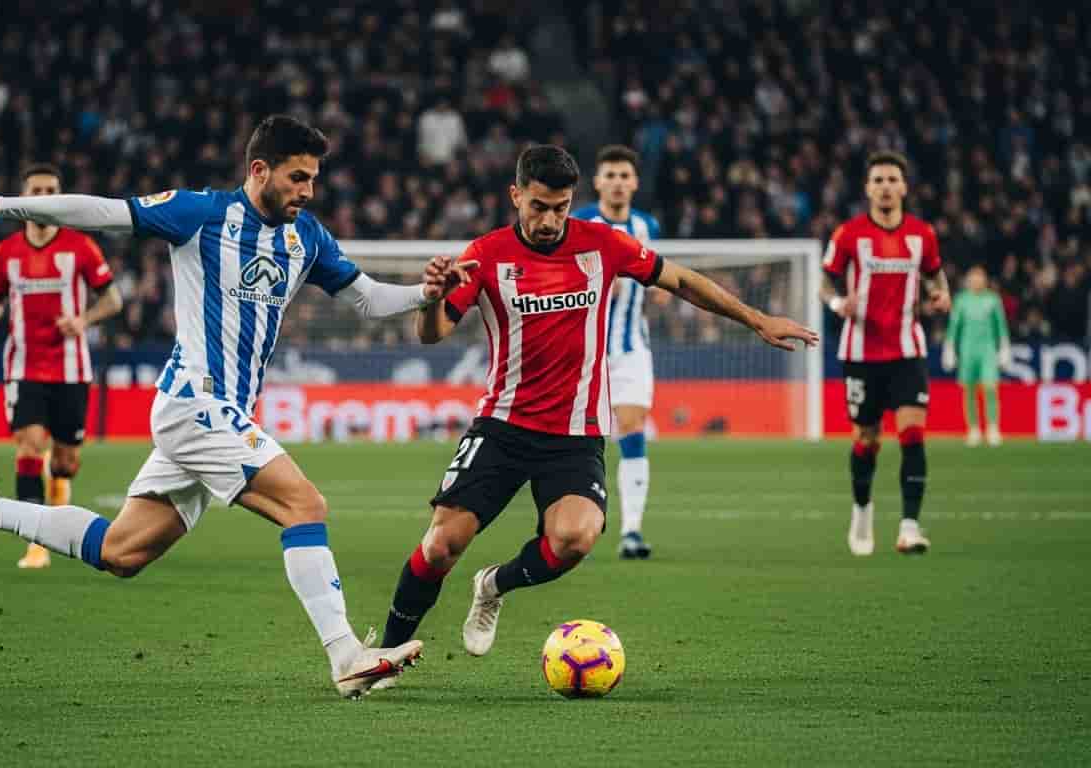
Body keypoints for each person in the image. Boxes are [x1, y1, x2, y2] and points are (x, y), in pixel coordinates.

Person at [0, 115, 467, 697]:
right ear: (259, 170)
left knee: (122, 552)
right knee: (305, 505)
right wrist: (7, 206)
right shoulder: (201, 214)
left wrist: (424, 294)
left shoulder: (307, 237)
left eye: (313, 179)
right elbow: (106, 211)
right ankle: (345, 655)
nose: (308, 191)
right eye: (298, 177)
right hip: (194, 404)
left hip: (224, 414)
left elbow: (366, 298)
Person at [374, 145, 816, 680]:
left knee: (575, 539)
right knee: (442, 544)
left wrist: (755, 318)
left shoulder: (602, 244)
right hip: (503, 425)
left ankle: (494, 585)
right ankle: (383, 657)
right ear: (516, 196)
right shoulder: (486, 255)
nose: (550, 220)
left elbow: (679, 280)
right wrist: (429, 299)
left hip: (575, 434)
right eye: (539, 206)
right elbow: (433, 333)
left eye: (561, 207)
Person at [0, 164, 124, 569]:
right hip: (24, 366)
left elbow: (114, 300)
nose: (43, 196)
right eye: (36, 190)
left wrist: (83, 321)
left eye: (51, 190)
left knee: (64, 462)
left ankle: (55, 518)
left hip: (72, 369)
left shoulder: (80, 247)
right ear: (24, 198)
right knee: (29, 445)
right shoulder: (6, 253)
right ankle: (36, 541)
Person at [820, 150, 950, 557]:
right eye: (878, 181)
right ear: (867, 189)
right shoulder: (849, 234)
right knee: (867, 439)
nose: (886, 187)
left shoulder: (922, 234)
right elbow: (825, 281)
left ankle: (909, 527)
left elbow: (934, 274)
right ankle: (862, 511)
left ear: (905, 187)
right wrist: (839, 304)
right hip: (861, 354)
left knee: (913, 434)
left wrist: (939, 293)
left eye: (893, 180)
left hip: (907, 350)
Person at [573, 144, 662, 559]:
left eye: (624, 175)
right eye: (610, 175)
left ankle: (631, 530)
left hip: (630, 348)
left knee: (631, 429)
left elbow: (657, 279)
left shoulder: (648, 226)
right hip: (581, 348)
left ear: (635, 183)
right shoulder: (579, 223)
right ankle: (568, 524)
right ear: (597, 182)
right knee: (574, 439)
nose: (618, 182)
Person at [943, 264, 1011, 446]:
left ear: (985, 280)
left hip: (988, 350)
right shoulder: (961, 300)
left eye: (979, 277)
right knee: (969, 390)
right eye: (973, 278)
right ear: (968, 280)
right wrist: (949, 347)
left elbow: (1001, 325)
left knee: (990, 388)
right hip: (967, 350)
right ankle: (973, 429)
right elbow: (954, 326)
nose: (976, 281)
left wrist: (1004, 348)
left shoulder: (993, 299)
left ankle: (993, 428)